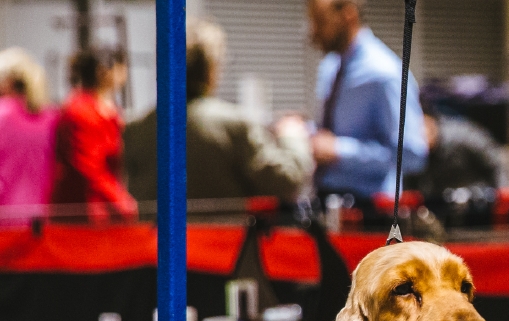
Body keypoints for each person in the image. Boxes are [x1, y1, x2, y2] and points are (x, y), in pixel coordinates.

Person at [122, 19, 312, 203]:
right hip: (227, 236)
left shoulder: (136, 131)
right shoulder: (236, 126)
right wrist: (292, 136)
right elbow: (287, 182)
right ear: (212, 69)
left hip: (153, 237)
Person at [306, 0, 427, 204]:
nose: (312, 31)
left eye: (320, 21)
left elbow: (412, 155)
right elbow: (331, 132)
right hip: (326, 198)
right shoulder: (330, 67)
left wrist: (340, 151)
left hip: (370, 210)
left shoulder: (385, 74)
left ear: (348, 15)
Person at [49, 47, 136, 221]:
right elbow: (88, 167)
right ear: (102, 71)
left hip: (102, 209)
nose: (125, 73)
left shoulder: (104, 109)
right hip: (85, 213)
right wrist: (122, 202)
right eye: (120, 66)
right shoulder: (80, 111)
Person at [0, 48, 57, 226]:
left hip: (5, 220)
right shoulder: (53, 118)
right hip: (44, 220)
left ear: (7, 81)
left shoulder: (3, 115)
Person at [411, 111, 509, 201]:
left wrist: (504, 200)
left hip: (479, 200)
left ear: (430, 123)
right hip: (440, 204)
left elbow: (496, 161)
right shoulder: (414, 152)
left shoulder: (464, 136)